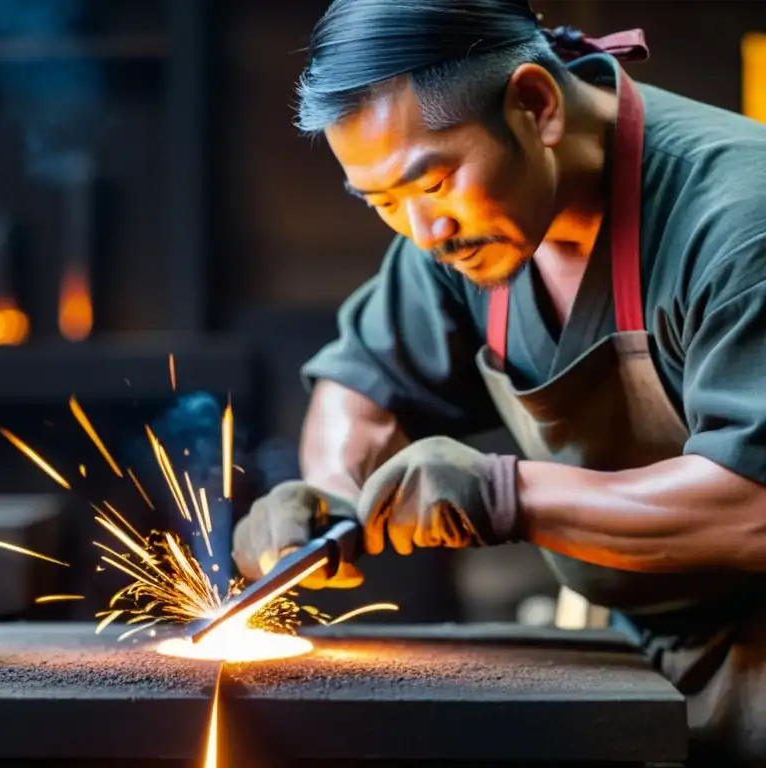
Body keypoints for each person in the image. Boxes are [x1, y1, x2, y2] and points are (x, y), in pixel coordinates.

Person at [230, 1, 766, 765]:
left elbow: (753, 507)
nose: (422, 230)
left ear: (537, 106)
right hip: (644, 649)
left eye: (432, 182)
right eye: (383, 203)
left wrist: (509, 496)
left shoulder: (740, 223)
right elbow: (364, 385)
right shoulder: (467, 229)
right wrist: (330, 495)